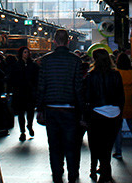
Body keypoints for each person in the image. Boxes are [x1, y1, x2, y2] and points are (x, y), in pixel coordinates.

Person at [37, 29, 84, 183]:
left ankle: (57, 174)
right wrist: (82, 111)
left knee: (54, 145)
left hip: (51, 108)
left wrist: (39, 108)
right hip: (70, 109)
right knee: (72, 144)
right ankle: (73, 174)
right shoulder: (76, 61)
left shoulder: (45, 60)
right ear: (68, 42)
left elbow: (41, 86)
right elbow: (78, 87)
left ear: (54, 41)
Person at [83, 49, 123, 183]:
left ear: (94, 59)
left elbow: (87, 97)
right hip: (115, 113)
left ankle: (104, 172)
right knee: (108, 145)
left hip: (97, 114)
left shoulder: (91, 76)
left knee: (98, 145)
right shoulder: (116, 74)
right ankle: (106, 171)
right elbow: (121, 95)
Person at [112, 52, 132, 161]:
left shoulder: (116, 73)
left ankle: (118, 151)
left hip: (119, 102)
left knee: (117, 128)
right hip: (130, 101)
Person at [9, 45, 39, 141]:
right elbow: (12, 78)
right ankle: (22, 131)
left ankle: (29, 125)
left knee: (30, 112)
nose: (27, 54)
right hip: (20, 92)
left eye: (28, 52)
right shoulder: (16, 65)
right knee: (21, 113)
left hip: (29, 92)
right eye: (25, 52)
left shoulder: (33, 65)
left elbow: (37, 78)